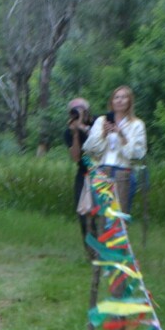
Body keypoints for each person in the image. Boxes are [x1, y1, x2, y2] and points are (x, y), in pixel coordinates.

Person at [83, 86, 147, 214]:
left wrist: (121, 135)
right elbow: (89, 148)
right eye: (116, 97)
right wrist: (103, 134)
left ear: (129, 101)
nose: (119, 100)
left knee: (120, 217)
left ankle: (119, 233)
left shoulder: (137, 124)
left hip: (123, 172)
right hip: (102, 170)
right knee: (102, 214)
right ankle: (100, 234)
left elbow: (138, 153)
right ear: (111, 101)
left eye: (124, 97)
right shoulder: (102, 121)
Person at [64, 98, 96, 248]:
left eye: (80, 108)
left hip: (101, 171)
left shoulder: (97, 123)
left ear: (87, 110)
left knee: (100, 213)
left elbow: (98, 146)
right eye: (74, 109)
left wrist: (84, 127)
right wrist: (76, 133)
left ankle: (105, 249)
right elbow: (76, 157)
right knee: (83, 212)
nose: (77, 112)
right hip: (83, 172)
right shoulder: (69, 130)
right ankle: (90, 250)